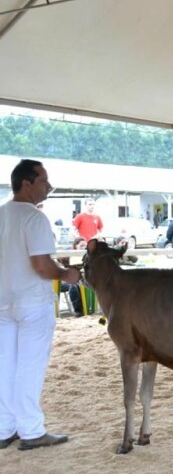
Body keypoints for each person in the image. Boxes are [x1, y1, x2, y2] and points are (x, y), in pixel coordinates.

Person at [0, 159, 81, 451]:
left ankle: (4, 428)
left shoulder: (1, 214)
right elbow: (42, 266)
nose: (48, 187)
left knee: (4, 366)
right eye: (44, 181)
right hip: (32, 303)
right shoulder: (34, 218)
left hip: (3, 302)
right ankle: (32, 431)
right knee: (29, 367)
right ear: (26, 183)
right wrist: (66, 274)